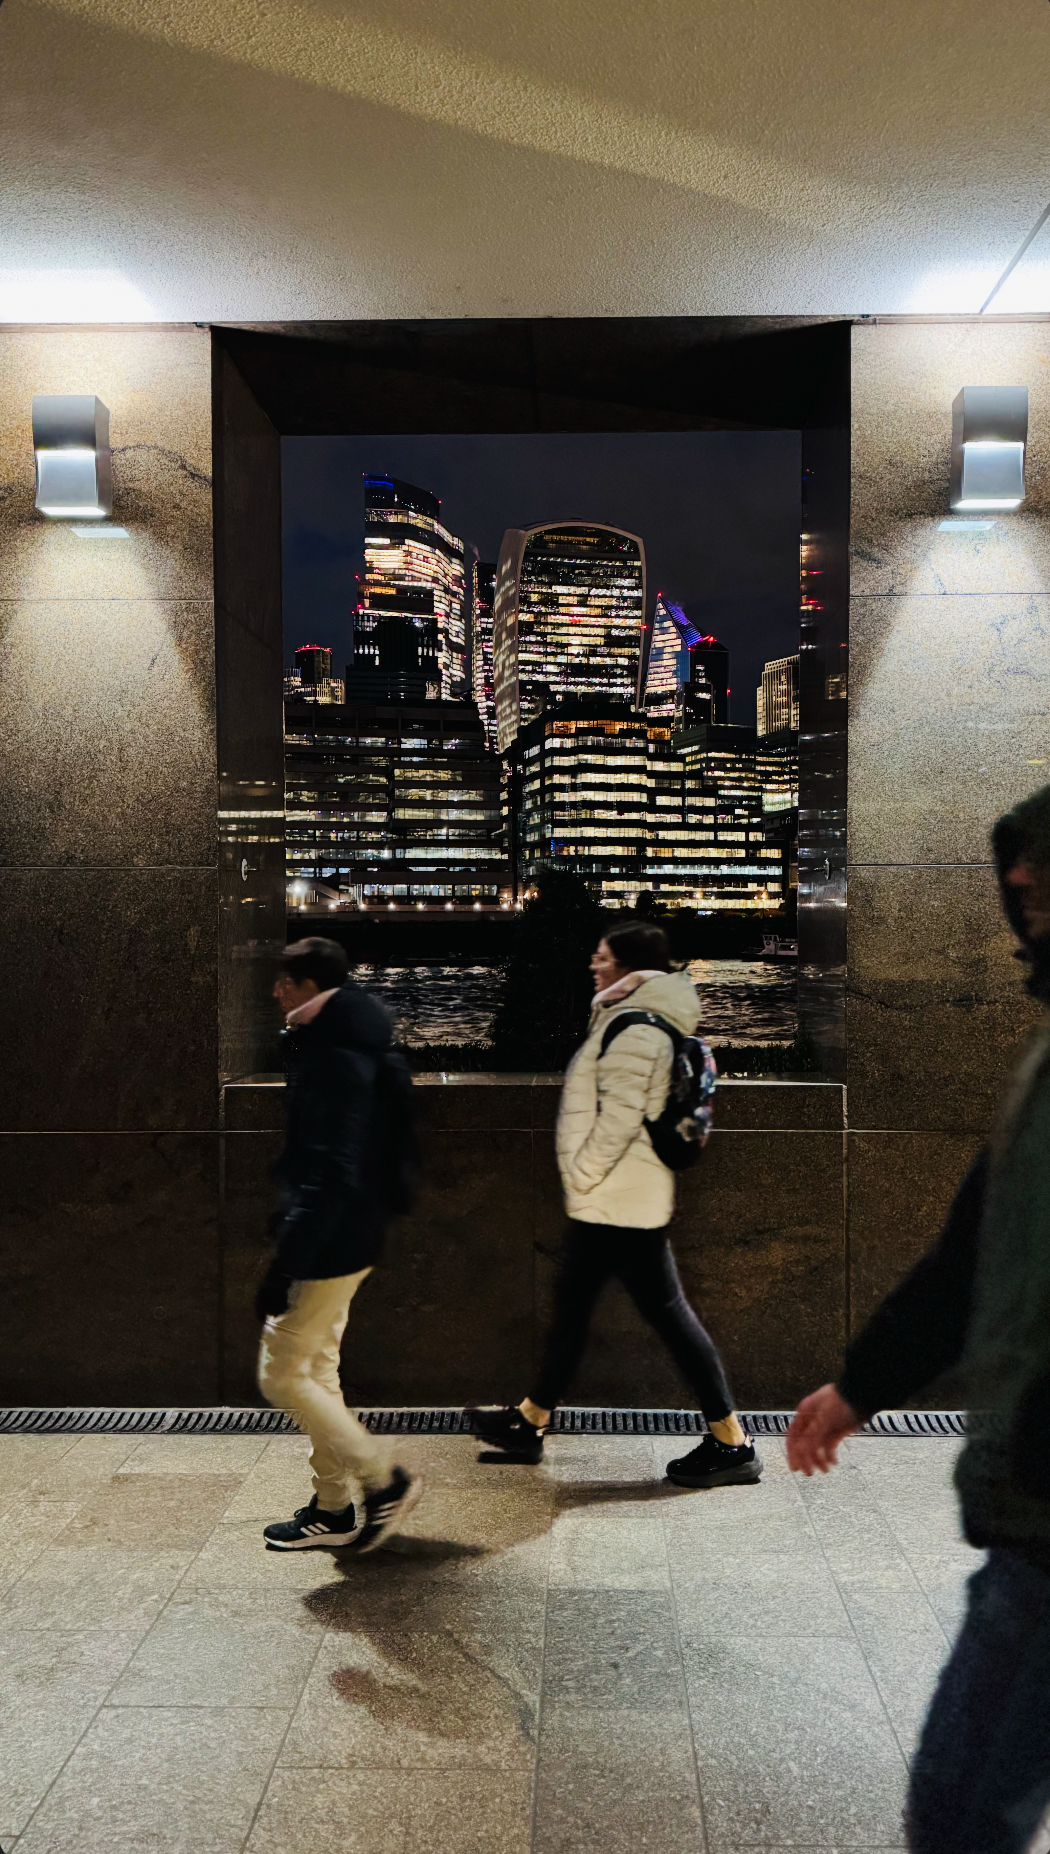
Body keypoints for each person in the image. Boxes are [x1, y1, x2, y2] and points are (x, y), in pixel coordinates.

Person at [786, 783, 1050, 1854]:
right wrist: (863, 1385)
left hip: (1047, 1501)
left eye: (1045, 859)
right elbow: (974, 1251)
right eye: (1017, 861)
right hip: (1031, 1498)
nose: (1022, 879)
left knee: (963, 1809)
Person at [470, 919, 761, 1488]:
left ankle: (733, 1443)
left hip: (620, 1198)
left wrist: (582, 1174)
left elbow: (621, 1117)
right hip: (617, 1197)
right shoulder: (629, 1016)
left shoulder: (637, 1028)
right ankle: (529, 1422)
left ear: (628, 967)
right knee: (577, 1310)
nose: (593, 964)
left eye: (602, 956)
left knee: (666, 1317)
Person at [257, 937, 422, 1553]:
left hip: (332, 1234)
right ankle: (332, 1508)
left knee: (281, 1373)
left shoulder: (332, 1052)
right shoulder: (354, 1036)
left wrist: (286, 1261)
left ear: (308, 986)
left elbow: (329, 1165)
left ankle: (383, 1478)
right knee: (316, 1368)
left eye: (283, 982)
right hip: (354, 1228)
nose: (274, 992)